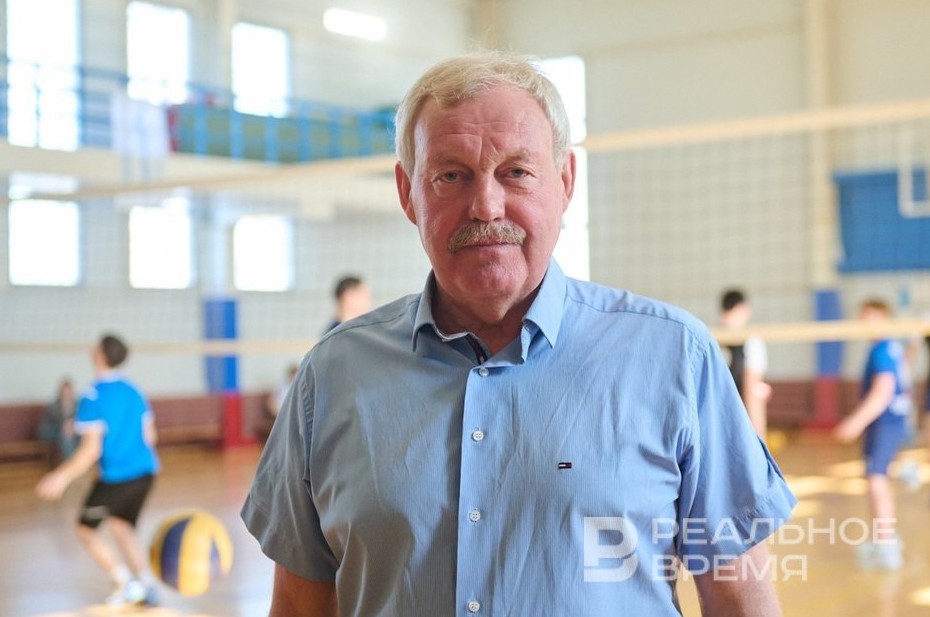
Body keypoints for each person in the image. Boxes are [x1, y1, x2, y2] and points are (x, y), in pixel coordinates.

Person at [242, 51, 796, 617]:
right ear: (408, 193)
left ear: (565, 181)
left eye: (517, 172)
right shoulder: (331, 377)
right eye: (451, 175)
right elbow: (298, 605)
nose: (486, 207)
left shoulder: (675, 358)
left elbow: (739, 598)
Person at [35, 334, 160, 606]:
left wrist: (61, 476)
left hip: (117, 477)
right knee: (121, 525)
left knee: (86, 529)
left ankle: (125, 583)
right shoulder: (134, 390)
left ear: (99, 354)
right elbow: (151, 437)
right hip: (147, 472)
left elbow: (90, 451)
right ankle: (146, 584)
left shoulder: (92, 396)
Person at [834, 299, 912, 570]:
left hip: (884, 423)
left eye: (869, 318)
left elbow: (883, 391)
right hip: (891, 422)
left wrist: (855, 422)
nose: (864, 324)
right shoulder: (890, 348)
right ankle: (884, 540)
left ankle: (886, 545)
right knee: (877, 479)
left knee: (876, 480)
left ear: (884, 318)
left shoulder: (881, 350)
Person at [719, 288, 772, 438]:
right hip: (732, 417)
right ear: (743, 309)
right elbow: (752, 390)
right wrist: (759, 438)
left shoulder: (711, 337)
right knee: (756, 391)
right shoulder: (752, 341)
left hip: (720, 416)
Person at [38, 377, 80, 463]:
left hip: (72, 431)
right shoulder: (54, 406)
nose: (67, 393)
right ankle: (71, 463)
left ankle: (78, 462)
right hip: (52, 431)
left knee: (77, 435)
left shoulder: (78, 405)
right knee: (66, 436)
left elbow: (80, 420)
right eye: (65, 391)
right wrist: (65, 426)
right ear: (60, 391)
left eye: (69, 391)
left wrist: (72, 425)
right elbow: (51, 423)